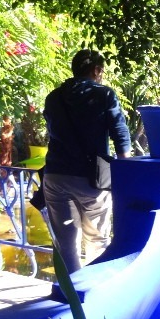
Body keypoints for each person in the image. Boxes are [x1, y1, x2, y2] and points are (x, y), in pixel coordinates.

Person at [43, 50, 131, 274]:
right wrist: (127, 172)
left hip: (54, 176)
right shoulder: (104, 95)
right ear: (97, 70)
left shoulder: (54, 97)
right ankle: (95, 294)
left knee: (66, 244)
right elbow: (120, 134)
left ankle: (71, 294)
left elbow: (53, 131)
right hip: (90, 178)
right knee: (97, 239)